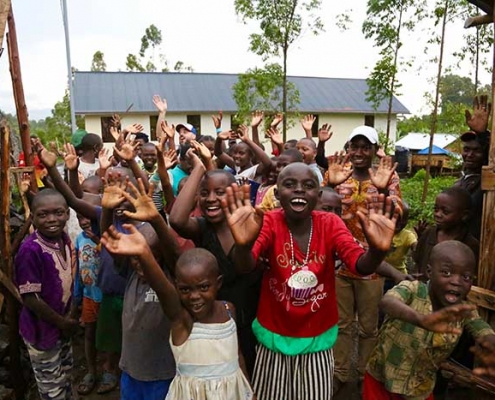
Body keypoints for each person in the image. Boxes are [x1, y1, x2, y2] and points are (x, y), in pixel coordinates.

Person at [222, 162, 398, 400]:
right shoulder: (270, 221)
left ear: (318, 195)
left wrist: (377, 251)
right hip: (273, 336)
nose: (299, 190)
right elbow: (245, 265)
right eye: (289, 184)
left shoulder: (330, 223)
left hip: (318, 338)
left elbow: (359, 264)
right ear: (277, 193)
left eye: (308, 185)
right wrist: (242, 245)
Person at [101, 228, 255, 400]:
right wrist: (144, 254)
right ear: (177, 288)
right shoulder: (182, 321)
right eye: (185, 290)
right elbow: (162, 289)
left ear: (218, 283)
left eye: (204, 287)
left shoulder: (229, 310)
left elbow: (238, 354)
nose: (194, 296)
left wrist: (248, 390)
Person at [364, 241, 495, 400]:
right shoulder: (413, 289)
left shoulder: (464, 311)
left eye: (465, 277)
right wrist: (420, 319)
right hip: (381, 380)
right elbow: (387, 302)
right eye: (446, 273)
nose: (456, 281)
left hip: (418, 390)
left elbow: (484, 331)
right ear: (429, 271)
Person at [170, 150, 261, 375]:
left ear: (235, 194)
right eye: (204, 193)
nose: (210, 198)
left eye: (219, 192)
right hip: (214, 321)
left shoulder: (251, 224)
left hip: (249, 317)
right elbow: (177, 219)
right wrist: (199, 168)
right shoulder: (202, 228)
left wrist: (244, 243)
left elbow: (245, 266)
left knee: (248, 371)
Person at [325, 125, 401, 390]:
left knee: (369, 326)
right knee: (342, 323)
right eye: (354, 146)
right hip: (339, 263)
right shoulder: (336, 176)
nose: (358, 152)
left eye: (365, 147)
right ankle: (341, 372)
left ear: (373, 150)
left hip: (372, 264)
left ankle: (365, 374)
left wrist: (381, 191)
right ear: (348, 149)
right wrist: (331, 185)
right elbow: (320, 207)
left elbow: (397, 217)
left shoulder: (387, 178)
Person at [15, 189, 78, 400]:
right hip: (41, 331)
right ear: (32, 217)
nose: (52, 219)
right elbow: (30, 299)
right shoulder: (30, 250)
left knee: (66, 376)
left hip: (63, 326)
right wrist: (62, 322)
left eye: (58, 213)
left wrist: (69, 318)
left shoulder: (65, 239)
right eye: (43, 215)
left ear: (68, 213)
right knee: (52, 388)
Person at [413, 186, 479, 277]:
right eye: (436, 209)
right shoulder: (428, 234)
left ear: (464, 215)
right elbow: (417, 262)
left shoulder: (470, 244)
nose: (437, 214)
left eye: (445, 212)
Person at [73, 195, 103, 395]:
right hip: (89, 296)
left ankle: (109, 368)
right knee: (90, 334)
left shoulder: (108, 235)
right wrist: (77, 296)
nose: (84, 222)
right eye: (79, 217)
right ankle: (91, 370)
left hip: (108, 296)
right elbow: (78, 270)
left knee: (110, 335)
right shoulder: (79, 239)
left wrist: (99, 241)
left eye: (88, 217)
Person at [454, 95, 491, 240]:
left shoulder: (486, 182)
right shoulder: (462, 180)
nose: (469, 155)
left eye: (476, 151)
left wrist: (482, 134)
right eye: (466, 149)